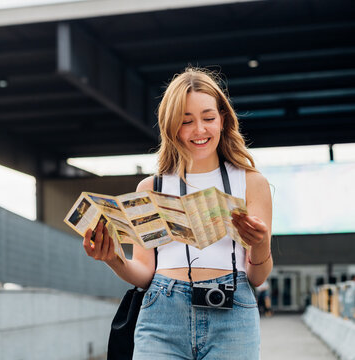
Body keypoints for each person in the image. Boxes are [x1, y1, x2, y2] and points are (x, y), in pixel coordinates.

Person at [82, 67, 273, 359]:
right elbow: (145, 273)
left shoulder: (250, 183)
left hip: (233, 315)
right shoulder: (151, 187)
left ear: (223, 118)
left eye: (208, 118)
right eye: (186, 121)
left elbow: (258, 277)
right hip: (162, 314)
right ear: (171, 127)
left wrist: (260, 243)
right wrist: (113, 259)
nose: (200, 129)